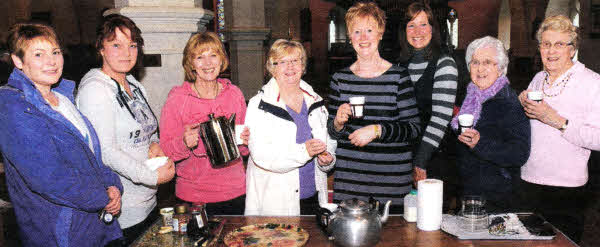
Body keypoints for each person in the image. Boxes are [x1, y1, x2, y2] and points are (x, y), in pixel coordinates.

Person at [0, 23, 123, 246]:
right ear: (18, 61)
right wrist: (102, 196)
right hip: (60, 228)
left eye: (55, 52)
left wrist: (113, 185)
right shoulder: (14, 106)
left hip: (91, 222)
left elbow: (91, 156)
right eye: (38, 54)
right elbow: (49, 178)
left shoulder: (63, 97)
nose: (51, 61)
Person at [76, 14, 175, 245]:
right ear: (101, 48)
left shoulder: (134, 84)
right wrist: (152, 176)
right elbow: (106, 151)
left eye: (132, 45)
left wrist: (154, 143)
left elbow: (148, 128)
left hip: (148, 200)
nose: (126, 53)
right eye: (116, 45)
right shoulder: (95, 90)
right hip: (124, 208)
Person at [328, 2, 421, 213]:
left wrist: (377, 130)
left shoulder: (398, 76)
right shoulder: (340, 79)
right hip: (351, 182)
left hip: (391, 183)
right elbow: (333, 132)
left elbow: (413, 128)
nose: (363, 37)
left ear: (380, 33)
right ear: (349, 37)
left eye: (369, 30)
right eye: (357, 31)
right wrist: (338, 122)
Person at [518, 15, 600, 243]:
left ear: (572, 50)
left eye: (559, 44)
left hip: (566, 189)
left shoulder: (592, 83)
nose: (551, 51)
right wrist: (520, 105)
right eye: (546, 44)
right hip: (529, 181)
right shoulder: (537, 79)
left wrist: (558, 121)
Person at [160, 32, 248, 215]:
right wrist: (184, 143)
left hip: (235, 191)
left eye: (213, 55)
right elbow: (166, 150)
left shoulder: (234, 94)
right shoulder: (178, 99)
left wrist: (247, 140)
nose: (208, 64)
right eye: (200, 57)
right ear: (191, 63)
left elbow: (244, 149)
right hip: (194, 196)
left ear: (222, 59)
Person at [245, 39, 336, 216]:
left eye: (295, 61)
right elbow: (262, 155)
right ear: (272, 67)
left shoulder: (315, 100)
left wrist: (328, 159)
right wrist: (305, 152)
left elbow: (328, 141)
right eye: (283, 62)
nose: (290, 67)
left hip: (313, 196)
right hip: (276, 201)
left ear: (303, 66)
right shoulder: (259, 105)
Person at [451, 36, 530, 213]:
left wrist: (480, 144)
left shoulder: (508, 102)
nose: (480, 69)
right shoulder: (470, 97)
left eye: (488, 62)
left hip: (497, 197)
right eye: (475, 62)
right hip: (470, 192)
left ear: (501, 69)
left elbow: (519, 154)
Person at [398, 2, 458, 184]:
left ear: (433, 28)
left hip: (433, 157)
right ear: (404, 31)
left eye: (423, 24)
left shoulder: (445, 64)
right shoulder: (400, 66)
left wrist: (420, 162)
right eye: (411, 25)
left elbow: (440, 119)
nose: (417, 32)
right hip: (404, 157)